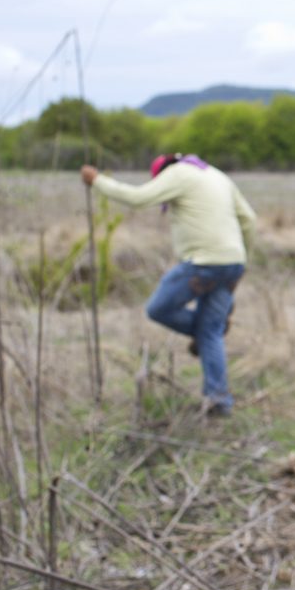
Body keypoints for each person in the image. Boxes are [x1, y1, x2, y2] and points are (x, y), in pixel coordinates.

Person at [80, 154, 259, 417]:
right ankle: (219, 402)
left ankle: (205, 335)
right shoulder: (217, 174)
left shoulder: (179, 173)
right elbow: (250, 220)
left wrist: (97, 182)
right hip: (233, 262)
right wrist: (241, 258)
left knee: (158, 309)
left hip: (202, 262)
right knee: (211, 331)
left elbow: (137, 198)